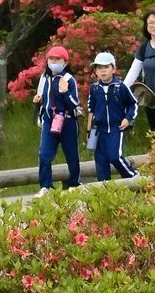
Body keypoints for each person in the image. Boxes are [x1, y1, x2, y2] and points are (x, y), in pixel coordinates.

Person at [33, 45, 82, 195]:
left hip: (67, 121)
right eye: (51, 59)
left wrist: (65, 91)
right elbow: (45, 100)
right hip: (49, 121)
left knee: (71, 153)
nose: (54, 62)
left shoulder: (69, 79)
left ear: (65, 62)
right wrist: (38, 101)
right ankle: (45, 186)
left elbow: (74, 103)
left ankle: (75, 183)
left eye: (58, 59)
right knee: (44, 155)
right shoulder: (45, 78)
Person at [87, 52, 139, 181]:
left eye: (106, 67)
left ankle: (133, 176)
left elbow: (133, 104)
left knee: (115, 156)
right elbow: (91, 109)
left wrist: (128, 118)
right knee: (100, 160)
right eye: (99, 68)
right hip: (99, 130)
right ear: (95, 71)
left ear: (113, 69)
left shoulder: (120, 87)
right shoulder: (94, 88)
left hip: (116, 128)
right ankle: (104, 188)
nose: (102, 71)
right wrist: (89, 130)